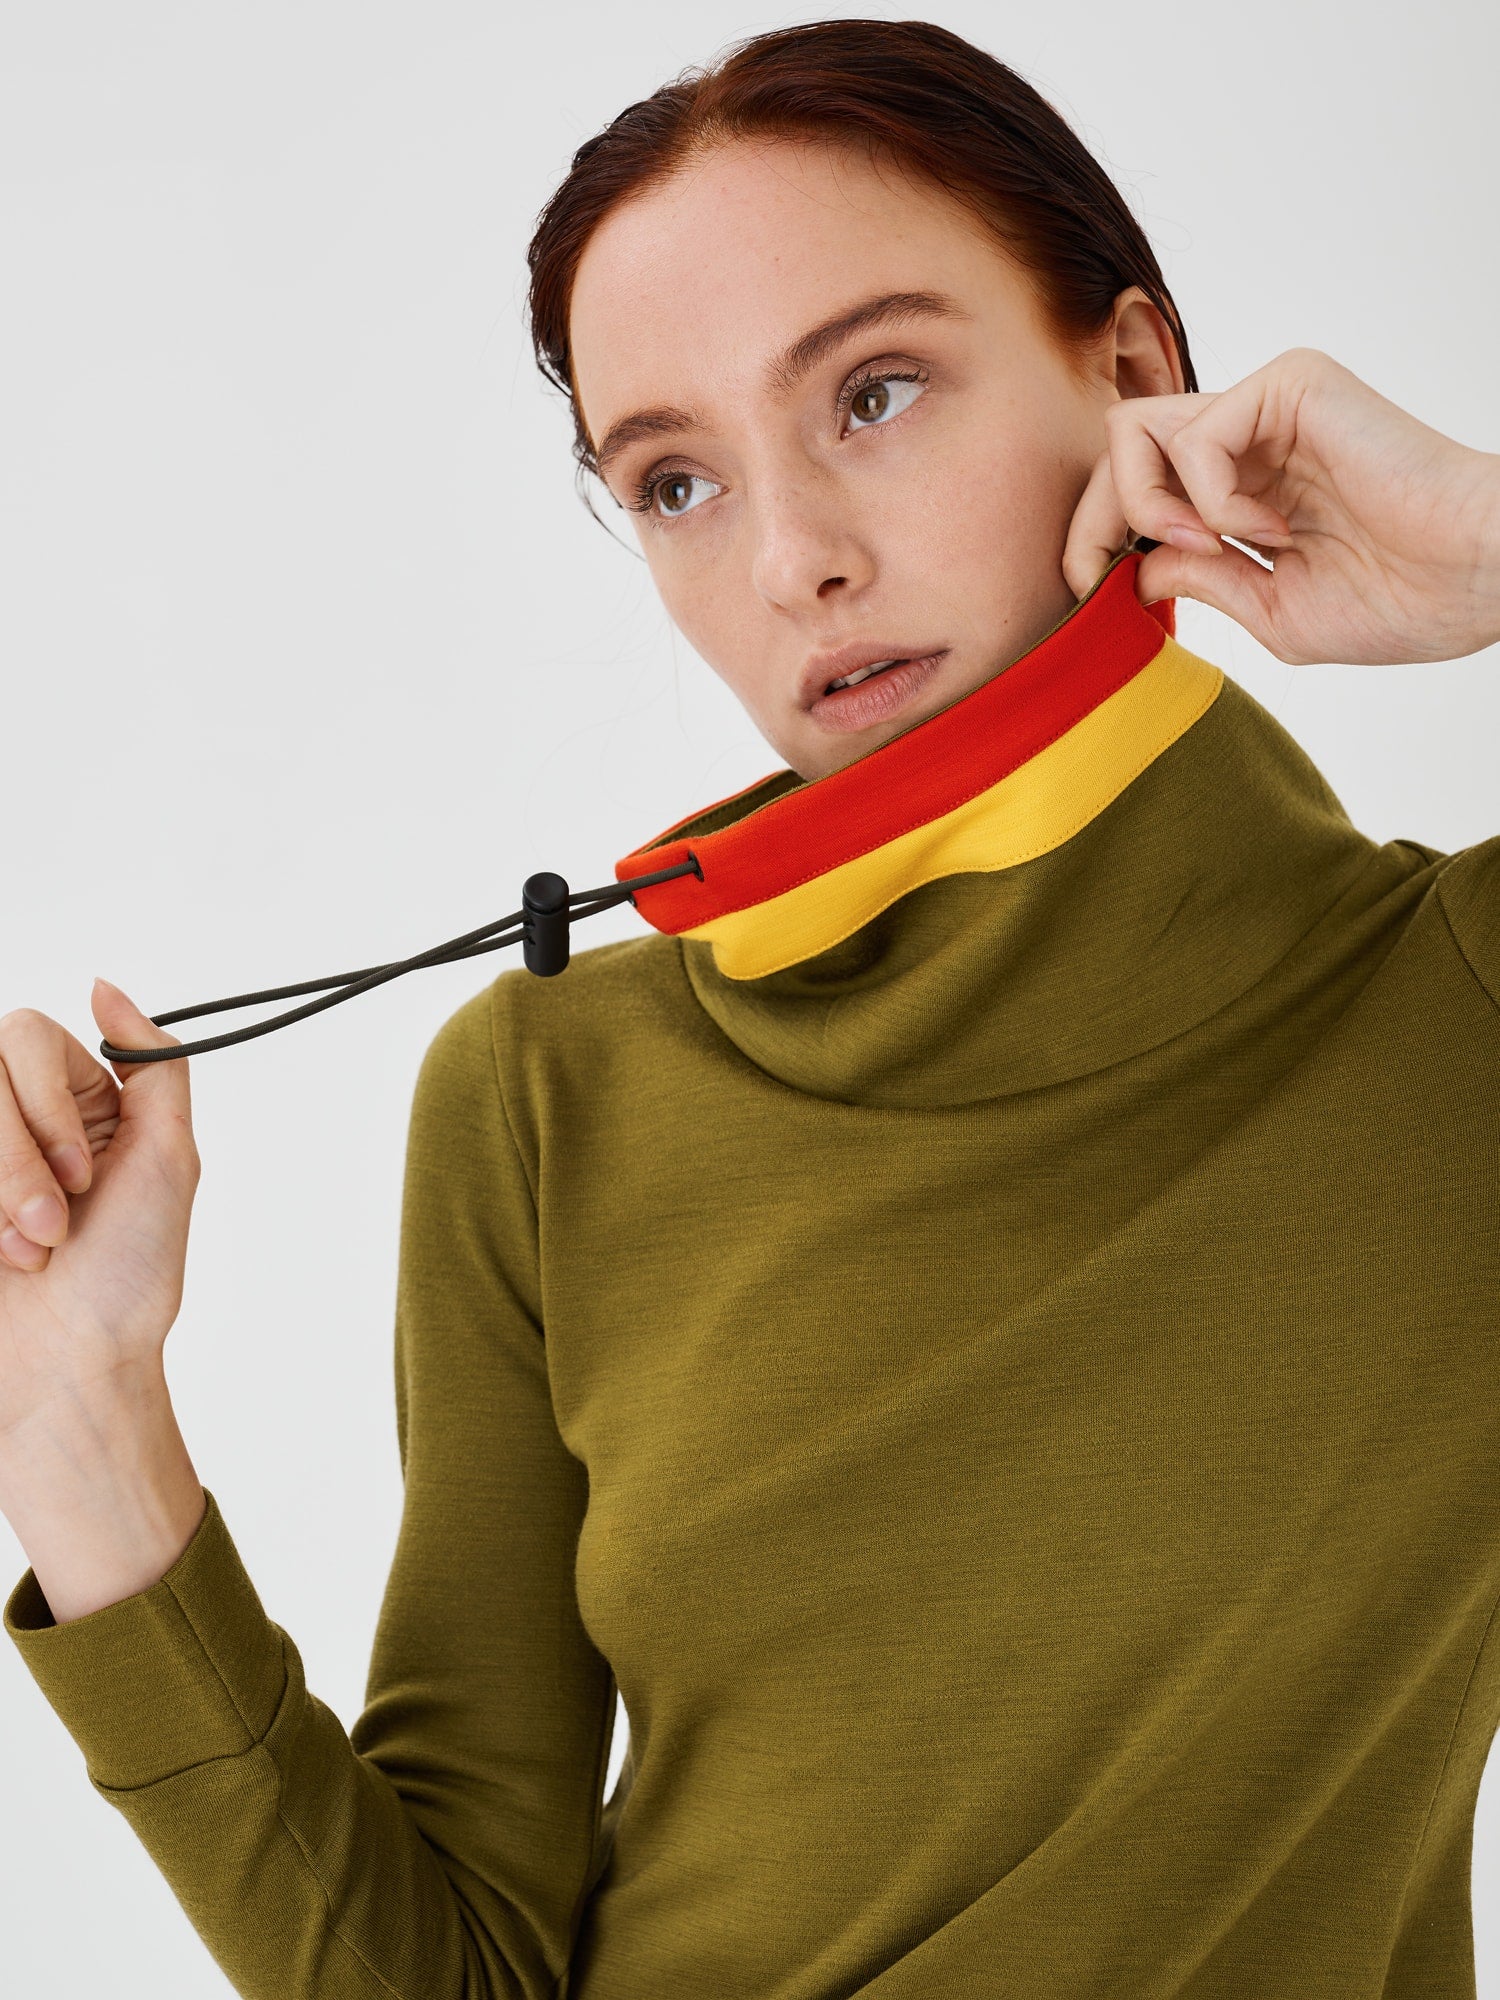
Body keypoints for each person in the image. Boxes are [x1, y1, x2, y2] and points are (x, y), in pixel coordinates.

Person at [3, 18, 1498, 1999]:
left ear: (1141, 377)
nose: (795, 558)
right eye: (679, 481)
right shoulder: (545, 1096)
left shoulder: (1449, 1011)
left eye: (875, 392)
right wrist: (78, 1426)